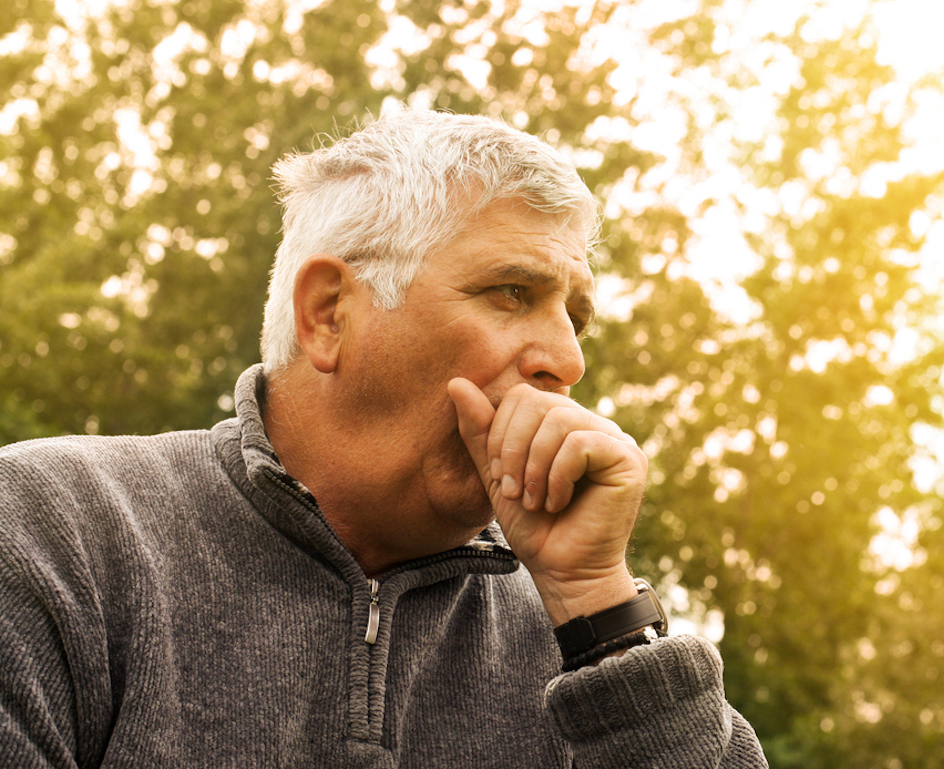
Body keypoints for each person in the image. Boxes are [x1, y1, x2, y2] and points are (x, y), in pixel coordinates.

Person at [0, 109, 767, 767]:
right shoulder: (52, 534)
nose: (568, 360)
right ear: (330, 313)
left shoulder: (577, 630)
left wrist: (599, 610)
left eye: (575, 317)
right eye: (512, 293)